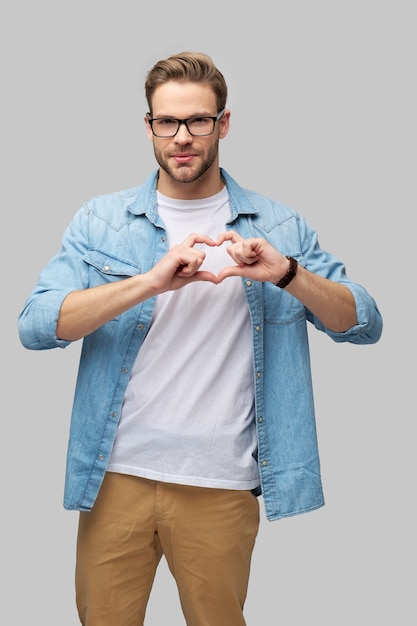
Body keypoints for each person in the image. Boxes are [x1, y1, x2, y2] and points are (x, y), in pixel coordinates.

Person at [18, 51, 383, 626]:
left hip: (221, 484)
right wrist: (149, 283)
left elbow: (363, 323)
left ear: (224, 123)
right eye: (168, 122)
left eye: (198, 121)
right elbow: (37, 327)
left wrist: (285, 272)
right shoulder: (102, 222)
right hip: (116, 479)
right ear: (148, 126)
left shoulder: (278, 226)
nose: (182, 137)